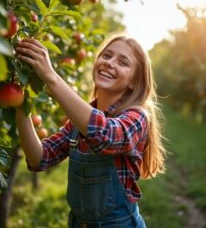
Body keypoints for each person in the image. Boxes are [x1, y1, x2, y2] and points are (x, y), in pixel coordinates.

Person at [15, 33, 167, 228]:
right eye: (107, 55)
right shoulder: (80, 121)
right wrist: (21, 107)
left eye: (123, 62)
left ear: (134, 82)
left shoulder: (137, 118)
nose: (110, 63)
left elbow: (106, 135)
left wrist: (50, 76)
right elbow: (40, 158)